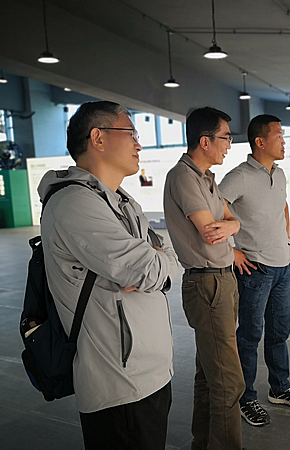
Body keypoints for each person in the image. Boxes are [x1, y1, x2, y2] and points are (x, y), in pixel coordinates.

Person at [38, 101, 178, 449]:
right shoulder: (74, 203)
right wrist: (150, 262)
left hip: (152, 373)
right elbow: (148, 268)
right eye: (131, 133)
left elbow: (169, 257)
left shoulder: (122, 201)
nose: (139, 144)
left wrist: (151, 263)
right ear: (98, 138)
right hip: (120, 385)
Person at [219, 114, 290, 427]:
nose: (284, 141)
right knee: (249, 336)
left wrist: (286, 237)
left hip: (283, 268)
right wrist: (232, 251)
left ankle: (280, 388)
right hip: (255, 271)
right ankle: (246, 399)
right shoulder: (239, 176)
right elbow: (214, 207)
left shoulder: (279, 173)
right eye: (279, 135)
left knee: (279, 333)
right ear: (260, 141)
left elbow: (282, 206)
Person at [163, 107, 245, 449]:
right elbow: (211, 233)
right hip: (207, 284)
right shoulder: (183, 177)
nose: (229, 145)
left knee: (211, 374)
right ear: (205, 141)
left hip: (222, 281)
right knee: (228, 381)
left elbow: (232, 219)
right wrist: (230, 226)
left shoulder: (207, 178)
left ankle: (204, 442)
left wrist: (231, 225)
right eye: (225, 137)